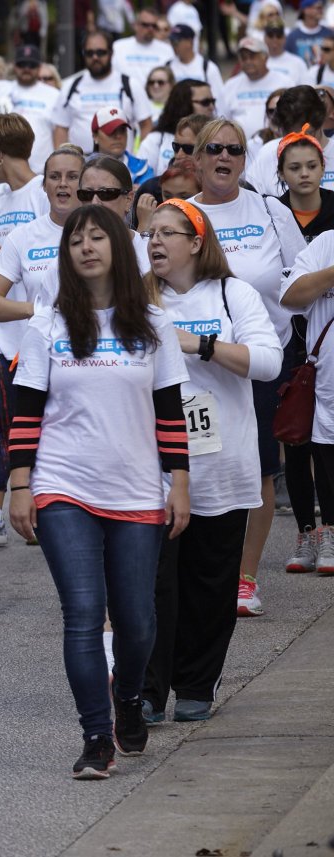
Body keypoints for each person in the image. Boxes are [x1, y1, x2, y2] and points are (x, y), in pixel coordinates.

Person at [8, 203, 190, 779]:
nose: (85, 248)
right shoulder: (48, 324)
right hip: (62, 486)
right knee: (83, 613)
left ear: (117, 246)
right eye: (75, 241)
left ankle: (128, 696)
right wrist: (20, 485)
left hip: (137, 490)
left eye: (96, 238)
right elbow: (25, 413)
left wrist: (179, 483)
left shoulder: (154, 324)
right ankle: (95, 736)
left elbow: (170, 412)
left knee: (137, 620)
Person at [141, 199, 282, 722]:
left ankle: (197, 684)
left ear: (197, 243)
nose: (155, 241)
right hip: (154, 469)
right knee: (154, 584)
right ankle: (148, 691)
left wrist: (198, 344)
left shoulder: (232, 293)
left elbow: (268, 362)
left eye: (167, 233)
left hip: (221, 465)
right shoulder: (136, 297)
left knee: (209, 583)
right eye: (150, 233)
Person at [192, 119, 307, 617]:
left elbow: (300, 279)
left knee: (258, 467)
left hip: (262, 361)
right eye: (215, 148)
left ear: (244, 159)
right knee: (199, 463)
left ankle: (244, 578)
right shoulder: (183, 214)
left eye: (235, 150)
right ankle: (200, 568)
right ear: (197, 158)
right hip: (198, 367)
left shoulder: (270, 210)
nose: (225, 156)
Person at [0, 145, 85, 549]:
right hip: (14, 346)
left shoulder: (99, 233)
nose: (63, 184)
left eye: (72, 176)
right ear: (44, 184)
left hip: (81, 353)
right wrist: (41, 311)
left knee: (61, 427)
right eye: (55, 177)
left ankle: (60, 507)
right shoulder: (24, 236)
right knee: (3, 423)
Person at [272, 130, 334, 589]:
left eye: (311, 166)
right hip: (297, 347)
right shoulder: (278, 217)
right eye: (294, 168)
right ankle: (309, 532)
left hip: (320, 347)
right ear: (281, 174)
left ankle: (329, 530)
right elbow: (289, 291)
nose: (304, 174)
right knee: (299, 439)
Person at [53, 31, 152, 153]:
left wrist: (141, 156)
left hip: (120, 161)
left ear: (111, 53)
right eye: (89, 53)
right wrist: (62, 158)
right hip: (80, 161)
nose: (95, 57)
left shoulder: (131, 85)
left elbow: (146, 124)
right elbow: (61, 128)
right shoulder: (70, 86)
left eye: (101, 52)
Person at [246, 85, 333, 196]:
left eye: (307, 135)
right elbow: (250, 198)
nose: (299, 143)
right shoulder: (267, 154)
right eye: (290, 137)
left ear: (320, 122)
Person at [138, 79, 216, 175]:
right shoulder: (155, 140)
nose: (212, 107)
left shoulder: (218, 139)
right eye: (205, 102)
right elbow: (142, 180)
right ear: (183, 104)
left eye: (213, 101)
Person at [5, 45, 61, 170]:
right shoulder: (3, 91)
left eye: (32, 65)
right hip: (8, 170)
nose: (26, 69)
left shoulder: (54, 95)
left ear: (40, 67)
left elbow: (60, 132)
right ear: (14, 66)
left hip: (42, 171)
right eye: (22, 64)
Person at [220, 38, 291, 136]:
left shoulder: (285, 82)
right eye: (243, 58)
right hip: (239, 144)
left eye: (252, 57)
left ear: (265, 57)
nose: (248, 61)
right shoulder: (230, 85)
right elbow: (222, 120)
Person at [114, 8, 175, 89]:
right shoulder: (118, 47)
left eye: (154, 26)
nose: (150, 29)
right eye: (145, 25)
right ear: (135, 25)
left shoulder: (167, 50)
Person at [91, 107, 153, 186]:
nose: (118, 136)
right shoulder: (82, 168)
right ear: (95, 136)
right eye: (111, 131)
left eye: (122, 130)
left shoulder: (144, 169)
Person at [166, 25, 225, 97]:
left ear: (189, 42)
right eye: (171, 41)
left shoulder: (208, 68)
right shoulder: (168, 66)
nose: (173, 45)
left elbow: (219, 96)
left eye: (176, 41)